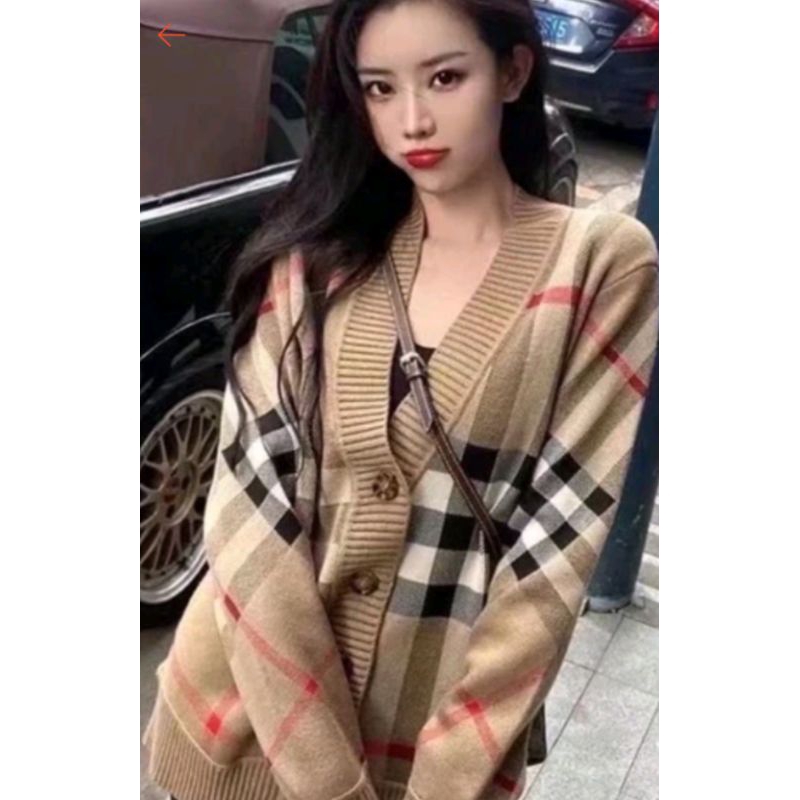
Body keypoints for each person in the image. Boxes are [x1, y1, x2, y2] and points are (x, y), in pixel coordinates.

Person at [143, 1, 658, 799]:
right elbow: (248, 523)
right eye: (380, 88)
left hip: (430, 753)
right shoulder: (314, 258)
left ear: (513, 71)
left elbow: (550, 567)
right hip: (237, 724)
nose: (412, 120)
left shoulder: (599, 265)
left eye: (445, 78)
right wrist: (330, 784)